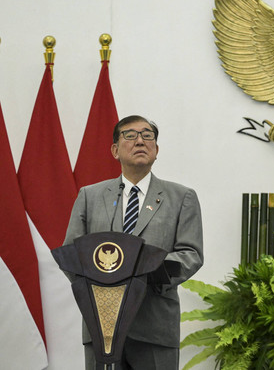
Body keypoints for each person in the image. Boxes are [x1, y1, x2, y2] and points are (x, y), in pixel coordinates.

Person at [64, 115, 204, 370]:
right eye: (130, 135)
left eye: (147, 135)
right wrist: (98, 289)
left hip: (155, 326)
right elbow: (71, 254)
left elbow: (190, 254)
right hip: (101, 327)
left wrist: (144, 268)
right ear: (115, 150)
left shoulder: (181, 197)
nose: (140, 140)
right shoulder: (89, 196)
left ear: (156, 150)